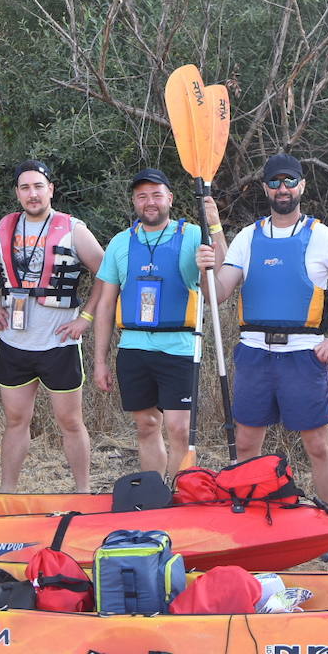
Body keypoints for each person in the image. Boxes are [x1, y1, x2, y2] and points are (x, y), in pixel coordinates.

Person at [196, 153, 328, 562]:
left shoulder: (320, 236)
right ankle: (254, 525)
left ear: (301, 187)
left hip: (302, 355)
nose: (282, 189)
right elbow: (219, 293)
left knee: (317, 446)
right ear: (265, 189)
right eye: (274, 183)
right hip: (255, 353)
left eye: (289, 182)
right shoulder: (248, 236)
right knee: (246, 443)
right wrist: (207, 266)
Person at [0, 160, 105, 493]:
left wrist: (86, 317)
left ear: (50, 189)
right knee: (16, 421)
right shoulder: (4, 227)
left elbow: (107, 273)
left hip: (59, 344)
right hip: (14, 343)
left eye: (38, 186)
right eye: (25, 188)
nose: (32, 194)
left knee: (70, 422)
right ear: (17, 193)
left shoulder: (73, 228)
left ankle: (83, 491)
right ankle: (7, 492)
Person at [92, 168, 220, 478]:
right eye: (142, 196)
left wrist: (214, 225)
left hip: (179, 347)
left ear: (170, 199)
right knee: (147, 426)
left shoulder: (191, 234)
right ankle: (155, 496)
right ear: (135, 202)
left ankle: (181, 495)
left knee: (180, 429)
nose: (150, 202)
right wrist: (99, 361)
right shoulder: (121, 243)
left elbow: (219, 279)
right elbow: (106, 304)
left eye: (156, 195)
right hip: (134, 348)